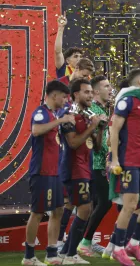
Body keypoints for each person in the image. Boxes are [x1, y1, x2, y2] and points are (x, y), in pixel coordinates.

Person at [108, 69, 140, 266]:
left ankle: (134, 244)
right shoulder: (127, 100)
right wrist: (114, 159)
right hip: (129, 160)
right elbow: (114, 130)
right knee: (130, 205)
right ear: (139, 82)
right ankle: (118, 249)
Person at [22, 80, 72, 266]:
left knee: (58, 210)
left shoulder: (54, 113)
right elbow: (36, 131)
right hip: (42, 171)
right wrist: (60, 120)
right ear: (53, 95)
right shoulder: (41, 112)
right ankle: (28, 256)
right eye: (64, 96)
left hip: (55, 172)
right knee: (38, 212)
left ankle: (51, 254)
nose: (66, 100)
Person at [59, 78, 106, 264]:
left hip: (86, 167)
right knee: (85, 209)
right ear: (76, 94)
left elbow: (95, 146)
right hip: (73, 168)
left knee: (86, 208)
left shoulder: (86, 114)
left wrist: (99, 129)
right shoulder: (68, 115)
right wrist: (93, 126)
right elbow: (73, 143)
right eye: (86, 92)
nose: (91, 95)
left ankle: (65, 252)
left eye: (91, 92)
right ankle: (70, 255)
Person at [77, 76, 113, 257]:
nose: (110, 89)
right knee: (105, 201)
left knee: (95, 203)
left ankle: (85, 242)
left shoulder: (102, 109)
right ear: (97, 91)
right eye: (107, 86)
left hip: (99, 163)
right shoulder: (92, 110)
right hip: (92, 163)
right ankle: (84, 241)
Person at [54, 12, 83, 78]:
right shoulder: (63, 70)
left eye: (80, 57)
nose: (79, 59)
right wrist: (61, 28)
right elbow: (58, 52)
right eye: (75, 56)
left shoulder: (86, 74)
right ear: (67, 60)